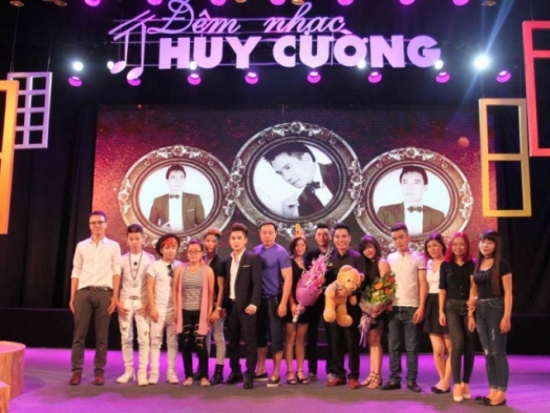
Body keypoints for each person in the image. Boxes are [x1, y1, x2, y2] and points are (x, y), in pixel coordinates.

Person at [69, 211, 122, 386]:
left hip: (104, 293)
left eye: (100, 222)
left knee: (102, 336)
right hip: (83, 293)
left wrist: (115, 296)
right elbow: (76, 270)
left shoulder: (114, 246)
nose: (96, 226)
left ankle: (99, 372)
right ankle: (76, 371)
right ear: (89, 225)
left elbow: (116, 271)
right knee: (79, 335)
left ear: (106, 224)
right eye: (93, 223)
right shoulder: (82, 246)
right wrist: (72, 296)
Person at [380, 223, 427, 393]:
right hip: (393, 308)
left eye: (401, 237)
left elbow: (423, 283)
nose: (398, 241)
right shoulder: (389, 258)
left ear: (408, 237)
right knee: (393, 346)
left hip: (412, 307)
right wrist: (386, 301)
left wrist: (421, 306)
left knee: (411, 347)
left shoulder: (418, 257)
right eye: (394, 238)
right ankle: (394, 379)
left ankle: (412, 380)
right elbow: (386, 283)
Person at [471, 229, 512, 407]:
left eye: (489, 242)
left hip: (496, 308)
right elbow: (474, 291)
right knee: (487, 352)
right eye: (482, 241)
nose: (485, 245)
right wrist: (471, 313)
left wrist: (506, 316)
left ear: (496, 245)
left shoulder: (502, 265)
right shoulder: (477, 264)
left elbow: (508, 293)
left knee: (498, 352)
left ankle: (501, 392)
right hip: (480, 309)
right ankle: (493, 390)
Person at [324, 223, 366, 389]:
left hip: (351, 308)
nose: (340, 240)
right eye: (337, 237)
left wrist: (350, 292)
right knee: (335, 342)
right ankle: (339, 375)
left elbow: (363, 283)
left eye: (344, 236)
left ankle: (353, 376)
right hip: (333, 307)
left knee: (351, 342)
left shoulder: (357, 258)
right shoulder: (329, 258)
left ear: (349, 238)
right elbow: (325, 282)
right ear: (333, 239)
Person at [222, 223, 263, 390]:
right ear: (229, 240)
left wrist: (254, 303)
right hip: (231, 307)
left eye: (239, 238)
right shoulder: (227, 260)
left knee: (250, 342)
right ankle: (235, 371)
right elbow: (226, 285)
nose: (236, 241)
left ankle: (249, 374)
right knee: (232, 342)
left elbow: (257, 283)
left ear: (245, 240)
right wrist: (223, 306)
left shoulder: (253, 258)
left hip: (247, 307)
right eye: (233, 238)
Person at [253, 222, 292, 387]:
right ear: (260, 234)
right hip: (257, 301)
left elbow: (288, 279)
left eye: (270, 232)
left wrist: (283, 303)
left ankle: (276, 373)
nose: (267, 235)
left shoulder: (281, 253)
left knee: (276, 338)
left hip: (273, 300)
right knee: (260, 337)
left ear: (276, 234)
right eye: (264, 232)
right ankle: (260, 370)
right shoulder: (255, 250)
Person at [116, 224, 155, 386]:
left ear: (143, 239)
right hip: (125, 301)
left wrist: (149, 302)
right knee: (126, 337)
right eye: (131, 239)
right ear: (127, 240)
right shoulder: (121, 259)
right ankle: (129, 371)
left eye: (137, 238)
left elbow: (152, 283)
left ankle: (142, 371)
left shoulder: (150, 259)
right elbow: (116, 281)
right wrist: (117, 301)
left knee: (144, 338)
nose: (134, 242)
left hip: (142, 302)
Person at [439, 232, 476, 402]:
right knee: (458, 344)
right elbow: (442, 289)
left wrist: (471, 312)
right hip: (451, 307)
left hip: (469, 307)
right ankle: (457, 383)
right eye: (455, 244)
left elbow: (474, 288)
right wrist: (441, 311)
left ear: (466, 246)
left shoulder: (472, 264)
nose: (458, 247)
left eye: (461, 244)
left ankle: (466, 383)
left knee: (469, 345)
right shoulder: (445, 265)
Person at [173, 239, 215, 387]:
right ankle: (188, 375)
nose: (193, 254)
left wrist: (209, 312)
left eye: (196, 251)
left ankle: (204, 376)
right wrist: (176, 310)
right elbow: (175, 290)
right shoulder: (180, 269)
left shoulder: (207, 271)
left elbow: (211, 293)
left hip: (201, 313)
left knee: (201, 345)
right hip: (185, 312)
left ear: (202, 253)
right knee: (185, 344)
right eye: (190, 251)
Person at [264, 143, 337, 217]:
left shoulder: (339, 170)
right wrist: (288, 217)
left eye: (288, 167)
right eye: (280, 173)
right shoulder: (302, 201)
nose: (286, 177)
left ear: (306, 158)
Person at [146, 233, 182, 385]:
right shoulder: (154, 266)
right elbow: (149, 287)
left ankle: (171, 372)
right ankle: (154, 372)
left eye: (173, 247)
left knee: (173, 343)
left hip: (174, 309)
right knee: (155, 342)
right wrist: (152, 307)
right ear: (161, 249)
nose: (170, 250)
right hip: (158, 309)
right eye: (167, 247)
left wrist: (179, 309)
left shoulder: (180, 265)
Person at [358, 235, 390, 389]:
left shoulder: (381, 262)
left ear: (376, 246)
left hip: (379, 309)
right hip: (368, 309)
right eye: (364, 249)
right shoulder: (364, 265)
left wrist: (379, 308)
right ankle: (372, 373)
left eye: (370, 247)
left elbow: (387, 287)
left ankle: (378, 375)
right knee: (372, 341)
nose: (368, 251)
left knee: (376, 341)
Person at [376, 165, 445, 236]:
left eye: (416, 183)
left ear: (425, 187)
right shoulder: (385, 213)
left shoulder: (438, 216)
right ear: (401, 185)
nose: (410, 188)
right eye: (405, 182)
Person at [423, 233, 452, 394]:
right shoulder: (427, 264)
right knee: (438, 350)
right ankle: (442, 379)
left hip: (446, 304)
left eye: (435, 245)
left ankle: (446, 381)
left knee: (450, 348)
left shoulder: (449, 263)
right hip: (431, 304)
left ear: (442, 245)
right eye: (429, 247)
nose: (432, 249)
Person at [304, 223, 332, 382]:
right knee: (312, 336)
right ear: (315, 237)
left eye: (325, 234)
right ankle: (312, 370)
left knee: (332, 336)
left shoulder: (334, 254)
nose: (322, 237)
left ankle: (331, 369)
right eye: (319, 234)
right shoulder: (310, 255)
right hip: (313, 300)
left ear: (330, 236)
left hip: (330, 300)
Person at [283, 236, 310, 385]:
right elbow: (287, 284)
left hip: (305, 307)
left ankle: (300, 370)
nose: (300, 248)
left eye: (302, 245)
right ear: (293, 247)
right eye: (297, 245)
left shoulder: (308, 264)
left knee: (301, 338)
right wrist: (292, 303)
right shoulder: (288, 262)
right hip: (291, 306)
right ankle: (289, 371)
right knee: (290, 338)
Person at [148, 164, 206, 231]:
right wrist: (160, 229)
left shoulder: (195, 199)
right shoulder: (157, 201)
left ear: (184, 180)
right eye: (173, 177)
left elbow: (203, 225)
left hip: (189, 236)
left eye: (181, 177)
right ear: (167, 181)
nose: (178, 181)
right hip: (166, 236)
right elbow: (150, 225)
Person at [204, 227, 226, 385]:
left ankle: (219, 372)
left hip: (216, 305)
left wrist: (218, 308)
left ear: (218, 243)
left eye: (213, 241)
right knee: (204, 336)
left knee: (218, 337)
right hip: (203, 304)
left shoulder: (220, 262)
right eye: (208, 241)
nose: (210, 243)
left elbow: (222, 287)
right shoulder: (201, 259)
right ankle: (203, 369)